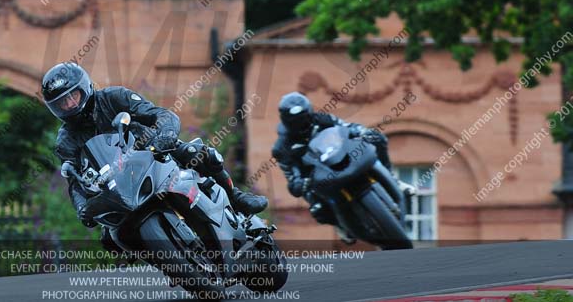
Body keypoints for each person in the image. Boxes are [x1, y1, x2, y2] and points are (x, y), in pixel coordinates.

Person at [42, 62, 268, 233]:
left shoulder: (114, 97)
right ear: (56, 108)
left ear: (83, 87)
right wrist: (83, 208)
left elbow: (159, 115)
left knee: (199, 154)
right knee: (110, 236)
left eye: (73, 96)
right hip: (117, 186)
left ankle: (235, 197)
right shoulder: (66, 140)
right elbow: (73, 181)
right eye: (63, 102)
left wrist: (166, 136)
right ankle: (168, 259)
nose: (70, 104)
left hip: (152, 152)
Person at [271, 92, 413, 243]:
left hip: (340, 158)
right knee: (317, 208)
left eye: (305, 118)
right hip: (316, 177)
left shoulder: (322, 119)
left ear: (310, 112)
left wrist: (361, 131)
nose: (303, 124)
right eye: (297, 122)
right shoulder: (282, 147)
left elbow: (345, 127)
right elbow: (290, 176)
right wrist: (298, 183)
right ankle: (340, 225)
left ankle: (393, 179)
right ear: (287, 122)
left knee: (378, 139)